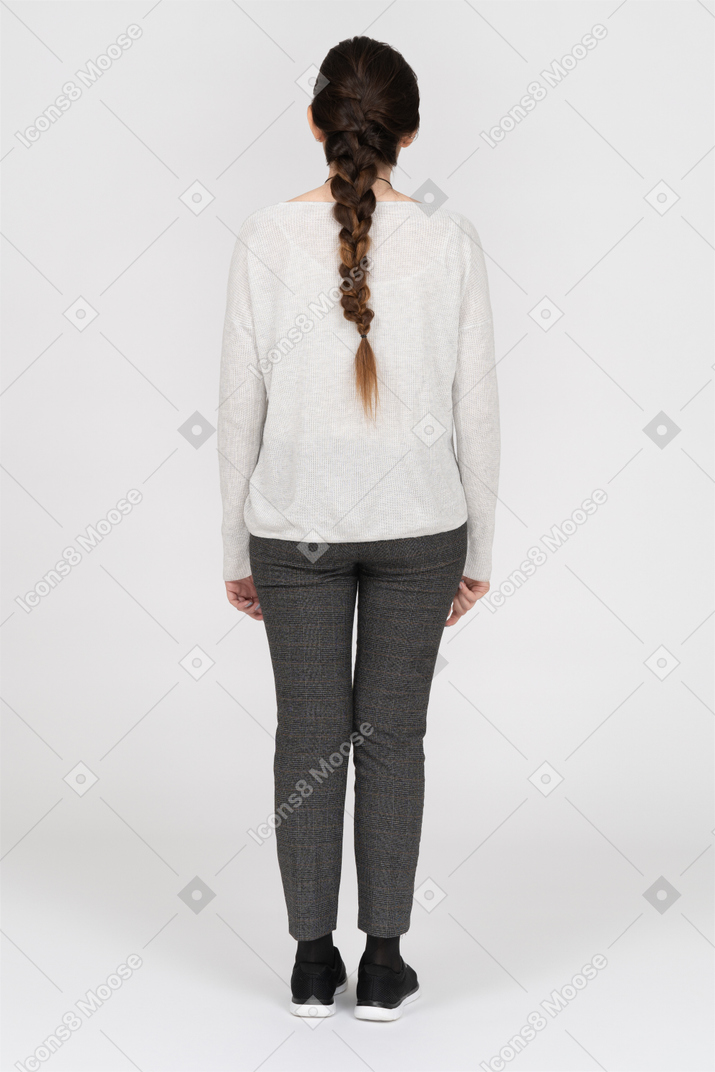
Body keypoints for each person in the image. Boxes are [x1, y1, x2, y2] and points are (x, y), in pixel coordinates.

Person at [217, 34, 500, 1021]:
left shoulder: (263, 235)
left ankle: (307, 962)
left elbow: (237, 408)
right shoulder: (451, 240)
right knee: (392, 736)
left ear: (314, 122)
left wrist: (230, 549)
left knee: (309, 736)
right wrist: (483, 551)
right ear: (408, 132)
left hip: (292, 531)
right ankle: (382, 964)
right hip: (424, 527)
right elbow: (478, 408)